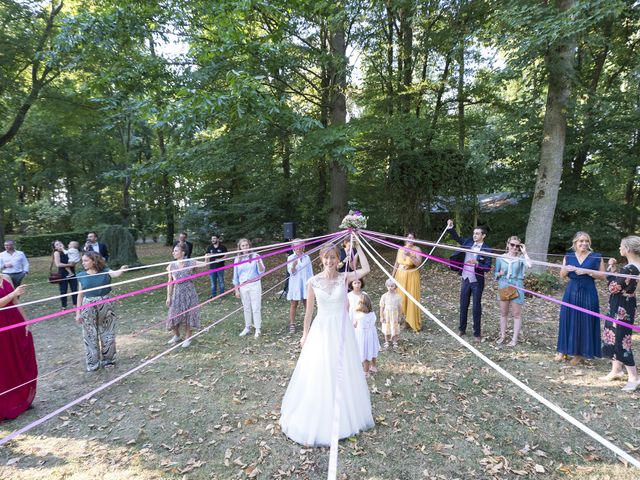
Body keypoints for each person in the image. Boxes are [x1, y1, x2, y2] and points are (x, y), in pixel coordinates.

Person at [279, 243, 374, 446]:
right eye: (326, 258)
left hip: (342, 330)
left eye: (333, 257)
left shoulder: (344, 277)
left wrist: (358, 246)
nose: (330, 261)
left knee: (343, 369)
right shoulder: (313, 281)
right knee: (321, 369)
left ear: (338, 259)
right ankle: (321, 412)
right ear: (321, 259)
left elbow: (366, 269)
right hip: (321, 329)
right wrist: (305, 335)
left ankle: (345, 414)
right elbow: (308, 312)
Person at [556, 231, 605, 366]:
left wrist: (588, 272)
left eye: (586, 241)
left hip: (588, 292)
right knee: (567, 318)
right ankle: (563, 350)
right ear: (575, 243)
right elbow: (562, 275)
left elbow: (602, 276)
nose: (584, 243)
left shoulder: (596, 257)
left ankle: (580, 354)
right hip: (571, 291)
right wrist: (568, 269)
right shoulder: (569, 256)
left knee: (585, 320)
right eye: (581, 241)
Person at [75, 252, 128, 371]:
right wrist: (78, 313)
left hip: (106, 304)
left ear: (94, 261)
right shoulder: (81, 275)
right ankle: (93, 363)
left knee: (108, 332)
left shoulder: (105, 271)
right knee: (89, 334)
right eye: (82, 261)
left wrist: (121, 270)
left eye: (86, 260)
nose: (83, 263)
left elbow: (115, 274)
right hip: (88, 306)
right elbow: (80, 294)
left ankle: (108, 360)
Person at [600, 236, 640, 391]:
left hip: (622, 305)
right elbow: (623, 283)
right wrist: (615, 271)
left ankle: (634, 377)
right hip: (625, 303)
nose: (619, 248)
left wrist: (610, 269)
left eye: (621, 246)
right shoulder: (633, 266)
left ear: (628, 249)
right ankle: (616, 370)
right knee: (614, 334)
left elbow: (613, 287)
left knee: (621, 339)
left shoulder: (630, 268)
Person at [447, 220, 492, 342]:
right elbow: (457, 238)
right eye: (474, 233)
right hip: (465, 278)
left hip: (477, 281)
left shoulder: (487, 249)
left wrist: (477, 263)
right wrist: (451, 228)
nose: (474, 235)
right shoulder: (468, 242)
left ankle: (477, 333)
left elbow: (487, 267)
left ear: (483, 236)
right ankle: (462, 329)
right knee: (463, 304)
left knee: (476, 306)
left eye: (477, 233)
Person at [0, 277, 37, 420]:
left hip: (15, 322)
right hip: (2, 327)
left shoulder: (6, 277)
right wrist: (13, 293)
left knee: (20, 360)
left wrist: (26, 321)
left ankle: (22, 398)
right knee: (6, 364)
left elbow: (15, 301)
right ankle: (6, 404)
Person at [166, 243, 208, 348]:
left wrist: (206, 259)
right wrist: (168, 297)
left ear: (183, 252)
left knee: (189, 315)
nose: (173, 252)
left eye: (176, 251)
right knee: (173, 315)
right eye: (173, 251)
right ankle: (177, 335)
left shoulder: (190, 262)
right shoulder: (171, 266)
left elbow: (204, 264)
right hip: (177, 292)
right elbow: (170, 282)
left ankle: (188, 338)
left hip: (189, 292)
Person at [494, 236, 532, 347]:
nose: (514, 247)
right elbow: (495, 274)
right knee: (503, 313)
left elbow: (530, 265)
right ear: (507, 245)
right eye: (512, 245)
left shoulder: (521, 258)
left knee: (516, 314)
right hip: (504, 285)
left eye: (517, 246)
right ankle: (502, 336)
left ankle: (514, 339)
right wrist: (499, 274)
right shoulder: (500, 258)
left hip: (517, 286)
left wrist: (524, 252)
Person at [233, 238, 266, 338]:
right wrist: (236, 290)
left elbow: (262, 271)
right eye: (243, 246)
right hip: (243, 286)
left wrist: (259, 262)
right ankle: (247, 327)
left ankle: (258, 328)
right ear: (240, 247)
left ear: (249, 246)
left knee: (256, 307)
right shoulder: (237, 259)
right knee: (246, 307)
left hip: (255, 284)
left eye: (246, 245)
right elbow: (235, 277)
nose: (245, 247)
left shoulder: (256, 256)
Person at [392, 232, 422, 332]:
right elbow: (396, 263)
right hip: (400, 276)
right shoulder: (400, 249)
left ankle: (412, 322)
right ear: (405, 238)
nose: (410, 239)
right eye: (408, 237)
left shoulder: (417, 249)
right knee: (401, 298)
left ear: (415, 240)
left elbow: (418, 264)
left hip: (412, 276)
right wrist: (392, 277)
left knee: (411, 298)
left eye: (412, 238)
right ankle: (404, 321)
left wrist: (410, 255)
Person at [286, 239, 313, 334]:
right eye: (296, 246)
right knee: (294, 304)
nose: (298, 248)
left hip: (306, 284)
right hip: (295, 284)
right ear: (293, 247)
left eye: (300, 246)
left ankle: (308, 323)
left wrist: (312, 284)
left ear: (303, 246)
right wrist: (293, 265)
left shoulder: (307, 257)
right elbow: (291, 272)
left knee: (307, 303)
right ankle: (292, 324)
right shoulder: (290, 258)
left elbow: (310, 272)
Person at [353, 292, 380, 377]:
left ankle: (365, 372)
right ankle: (374, 366)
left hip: (362, 336)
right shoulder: (372, 314)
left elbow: (354, 325)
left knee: (365, 353)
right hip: (371, 335)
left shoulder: (358, 315)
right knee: (372, 350)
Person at [52, 240, 78, 310]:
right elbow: (58, 264)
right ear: (55, 247)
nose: (59, 245)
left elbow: (74, 259)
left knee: (75, 289)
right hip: (63, 274)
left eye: (60, 243)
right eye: (57, 244)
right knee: (63, 290)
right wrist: (69, 265)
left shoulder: (69, 251)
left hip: (72, 272)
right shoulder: (57, 253)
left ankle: (75, 304)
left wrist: (74, 263)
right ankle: (64, 306)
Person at [380, 278, 403, 349]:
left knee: (395, 328)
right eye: (388, 286)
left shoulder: (398, 296)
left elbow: (400, 307)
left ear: (395, 286)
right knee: (386, 328)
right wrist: (381, 316)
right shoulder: (384, 296)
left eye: (392, 286)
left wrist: (400, 316)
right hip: (387, 315)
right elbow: (382, 307)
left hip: (394, 315)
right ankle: (386, 341)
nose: (390, 288)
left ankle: (394, 341)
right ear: (386, 286)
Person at [205, 234, 227, 298]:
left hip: (220, 267)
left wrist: (220, 259)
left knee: (221, 281)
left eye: (214, 238)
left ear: (218, 239)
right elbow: (206, 255)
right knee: (213, 283)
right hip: (212, 268)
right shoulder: (210, 247)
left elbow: (226, 255)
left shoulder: (223, 247)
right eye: (212, 239)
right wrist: (207, 257)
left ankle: (222, 295)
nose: (212, 240)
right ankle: (213, 295)